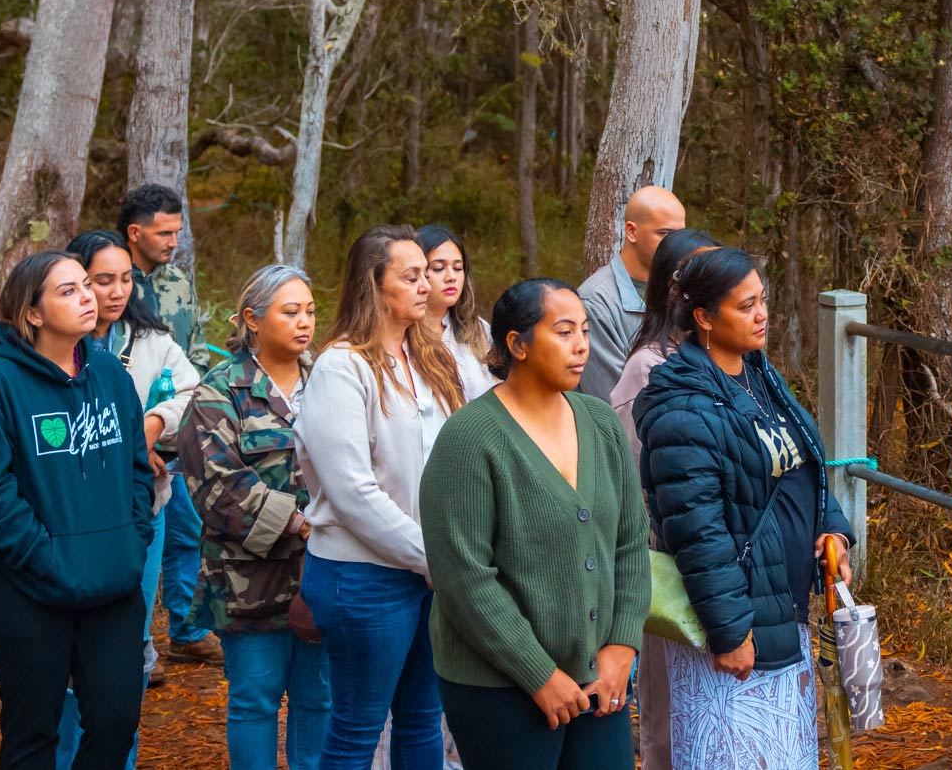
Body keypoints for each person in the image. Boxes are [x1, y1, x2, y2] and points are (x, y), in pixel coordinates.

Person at [633, 246, 851, 769]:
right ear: (704, 318)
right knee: (733, 753)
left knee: (785, 754)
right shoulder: (680, 407)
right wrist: (731, 632)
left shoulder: (760, 375)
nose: (762, 314)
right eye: (745, 305)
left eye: (764, 300)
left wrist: (833, 531)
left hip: (782, 605)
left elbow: (804, 466)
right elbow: (698, 532)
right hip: (734, 626)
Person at [423, 279, 646, 770]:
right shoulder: (469, 439)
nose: (581, 345)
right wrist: (539, 673)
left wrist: (622, 645)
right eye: (563, 332)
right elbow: (464, 578)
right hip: (499, 687)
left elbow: (629, 544)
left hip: (598, 677)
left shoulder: (600, 422)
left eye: (584, 331)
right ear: (517, 344)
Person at [0, 250, 153, 770]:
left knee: (115, 721)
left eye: (87, 285)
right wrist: (48, 558)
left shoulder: (109, 373)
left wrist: (132, 539)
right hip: (27, 591)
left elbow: (136, 465)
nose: (88, 296)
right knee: (32, 734)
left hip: (112, 583)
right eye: (68, 290)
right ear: (33, 313)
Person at [295, 226, 466, 770]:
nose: (430, 285)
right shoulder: (340, 368)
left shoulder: (431, 357)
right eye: (412, 276)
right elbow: (351, 493)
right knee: (356, 731)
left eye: (432, 273)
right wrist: (436, 556)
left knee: (423, 720)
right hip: (362, 577)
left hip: (431, 574)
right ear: (374, 285)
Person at [57, 228, 202, 764]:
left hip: (145, 513)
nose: (114, 293)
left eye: (124, 280)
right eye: (101, 281)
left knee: (131, 645)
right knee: (69, 652)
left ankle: (121, 757)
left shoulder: (151, 340)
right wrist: (126, 451)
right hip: (70, 524)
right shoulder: (53, 349)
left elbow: (194, 391)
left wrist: (153, 424)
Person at [182, 264, 329, 770]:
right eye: (290, 312)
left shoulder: (329, 382)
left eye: (309, 311)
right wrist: (303, 523)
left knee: (319, 700)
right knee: (255, 701)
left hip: (325, 578)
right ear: (252, 319)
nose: (304, 322)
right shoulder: (220, 391)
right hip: (250, 584)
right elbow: (216, 484)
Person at [603, 227, 712, 770]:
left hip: (724, 562)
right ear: (674, 289)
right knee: (671, 714)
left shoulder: (732, 360)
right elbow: (633, 477)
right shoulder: (648, 367)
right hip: (669, 562)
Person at [117, 184, 219, 668]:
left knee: (187, 531)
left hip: (183, 433)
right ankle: (136, 648)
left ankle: (187, 628)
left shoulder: (178, 282)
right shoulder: (109, 282)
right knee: (138, 548)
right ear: (135, 233)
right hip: (129, 442)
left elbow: (196, 350)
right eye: (164, 232)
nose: (173, 241)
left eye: (177, 231)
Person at [578, 184, 685, 400]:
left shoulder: (682, 289)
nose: (676, 245)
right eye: (664, 233)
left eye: (680, 235)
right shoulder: (596, 303)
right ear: (631, 231)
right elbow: (616, 401)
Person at [416, 225, 496, 399]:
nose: (451, 276)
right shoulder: (400, 334)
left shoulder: (479, 330)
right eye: (438, 268)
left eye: (458, 268)